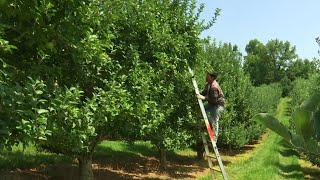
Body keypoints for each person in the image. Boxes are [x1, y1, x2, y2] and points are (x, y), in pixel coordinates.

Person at [196, 71, 225, 141]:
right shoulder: (208, 84)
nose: (206, 76)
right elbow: (204, 92)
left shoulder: (214, 87)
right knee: (201, 110)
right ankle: (207, 126)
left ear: (212, 77)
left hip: (218, 105)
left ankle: (214, 139)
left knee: (214, 120)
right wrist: (198, 93)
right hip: (211, 103)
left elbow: (214, 100)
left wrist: (204, 98)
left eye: (208, 76)